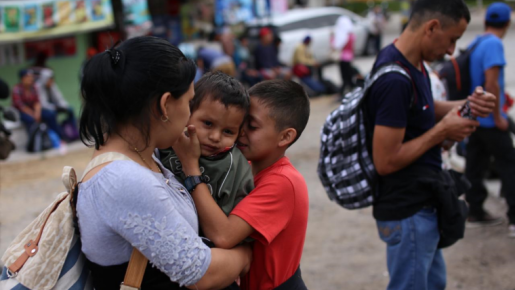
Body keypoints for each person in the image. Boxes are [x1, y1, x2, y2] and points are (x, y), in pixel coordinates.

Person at [77, 36, 252, 289]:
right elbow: (201, 274)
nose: (190, 115)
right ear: (165, 105)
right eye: (189, 102)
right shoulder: (123, 179)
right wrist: (246, 256)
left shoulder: (143, 158)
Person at [364, 1, 496, 289]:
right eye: (453, 39)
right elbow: (385, 161)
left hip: (423, 204)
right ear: (432, 27)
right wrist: (442, 132)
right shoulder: (394, 80)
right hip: (408, 209)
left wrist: (468, 105)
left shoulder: (412, 63)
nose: (451, 51)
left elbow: (424, 107)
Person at [173, 80, 310, 290]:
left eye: (252, 126)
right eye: (242, 123)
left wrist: (191, 169)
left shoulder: (283, 182)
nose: (241, 132)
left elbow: (223, 235)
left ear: (285, 136)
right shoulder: (242, 166)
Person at [159, 71, 254, 217]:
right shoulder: (168, 141)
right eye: (208, 123)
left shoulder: (234, 168)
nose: (215, 137)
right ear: (188, 112)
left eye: (228, 131)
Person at [465, 2, 515, 236]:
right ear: (507, 23)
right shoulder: (494, 44)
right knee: (509, 165)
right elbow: (491, 82)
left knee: (475, 166)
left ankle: (475, 211)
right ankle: (514, 217)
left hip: (475, 118)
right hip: (490, 119)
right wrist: (498, 117)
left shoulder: (477, 41)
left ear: (485, 21)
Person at [12, 69, 64, 141]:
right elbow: (21, 106)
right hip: (22, 113)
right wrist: (33, 114)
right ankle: (33, 142)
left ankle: (58, 138)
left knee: (50, 115)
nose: (31, 78)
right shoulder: (17, 89)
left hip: (35, 111)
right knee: (30, 120)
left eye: (31, 77)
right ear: (23, 78)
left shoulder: (34, 87)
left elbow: (37, 102)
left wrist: (37, 113)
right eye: (28, 77)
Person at [35, 68, 78, 141]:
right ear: (45, 79)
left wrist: (64, 106)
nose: (51, 81)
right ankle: (60, 136)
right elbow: (43, 103)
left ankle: (73, 132)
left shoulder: (52, 85)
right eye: (49, 79)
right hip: (44, 109)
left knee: (70, 110)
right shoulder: (38, 86)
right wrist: (54, 107)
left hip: (55, 107)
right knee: (52, 114)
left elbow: (59, 98)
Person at [333, 15, 357, 96]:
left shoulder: (343, 36)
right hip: (349, 57)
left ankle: (343, 91)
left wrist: (332, 38)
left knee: (344, 76)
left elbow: (336, 45)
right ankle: (351, 89)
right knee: (349, 75)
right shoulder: (351, 35)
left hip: (343, 58)